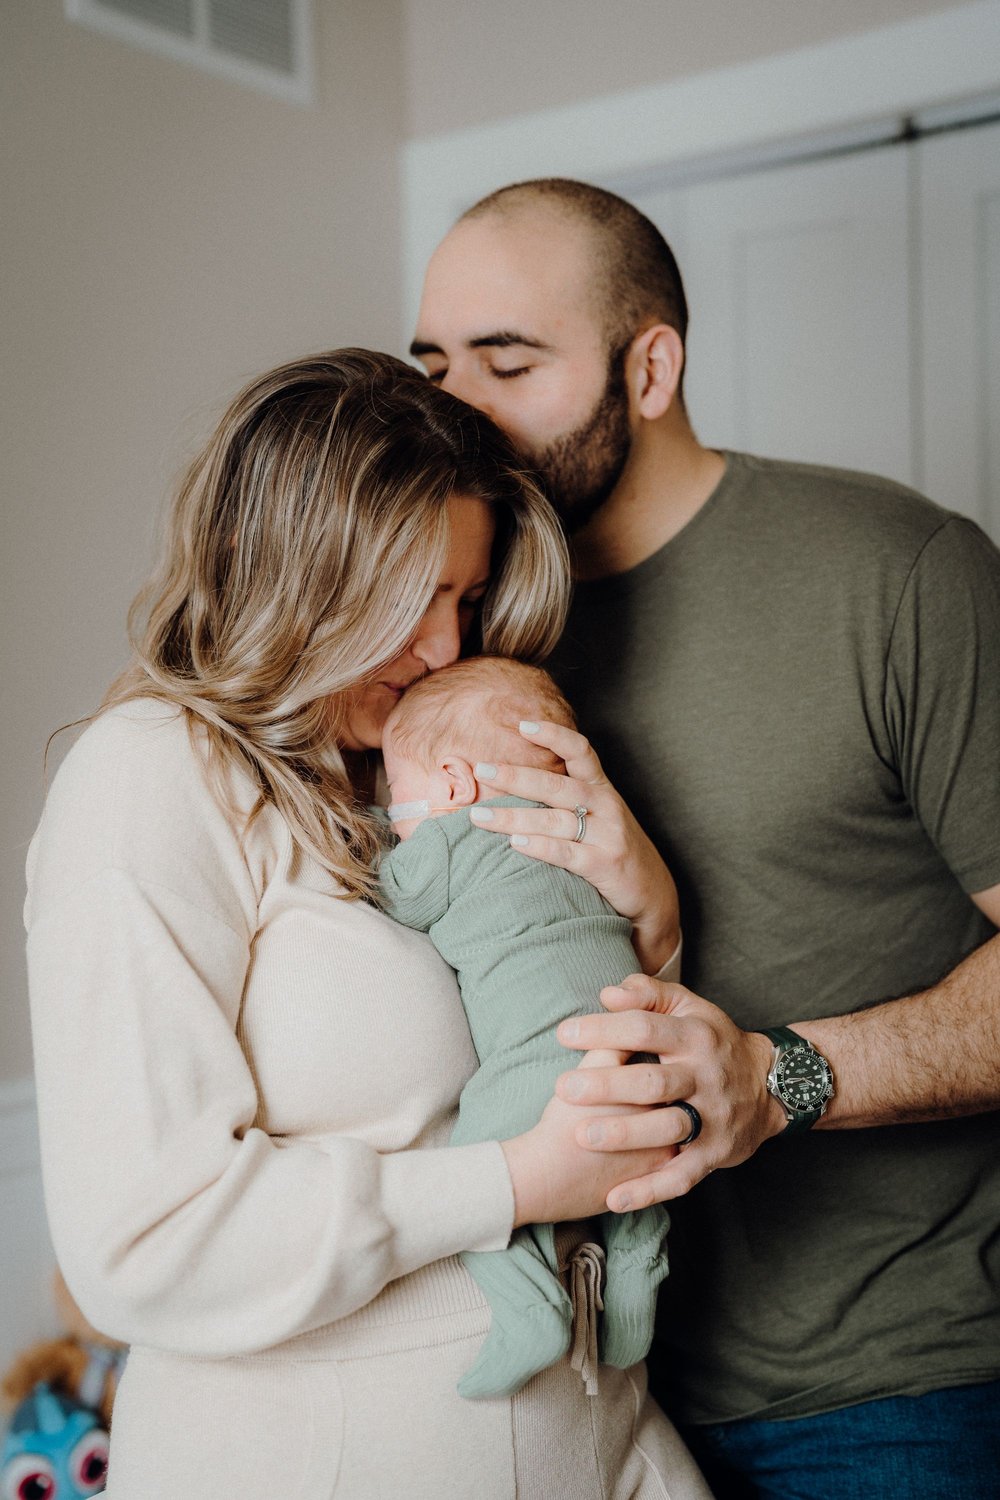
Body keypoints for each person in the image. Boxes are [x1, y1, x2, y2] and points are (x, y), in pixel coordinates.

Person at [24, 348, 714, 1500]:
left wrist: (653, 913)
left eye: (464, 599)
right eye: (411, 600)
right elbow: (144, 1241)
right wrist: (511, 1183)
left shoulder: (418, 764)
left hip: (602, 1435)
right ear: (292, 579)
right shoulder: (151, 777)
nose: (447, 648)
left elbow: (545, 1019)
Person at [411, 178, 1000, 1499]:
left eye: (509, 363)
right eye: (436, 365)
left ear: (651, 367)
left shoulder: (898, 572)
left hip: (894, 1392)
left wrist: (783, 1077)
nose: (457, 411)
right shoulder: (450, 626)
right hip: (585, 1396)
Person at [378, 654, 673, 1400]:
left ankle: (530, 1311)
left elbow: (397, 900)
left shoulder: (448, 838)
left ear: (452, 783)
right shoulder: (581, 837)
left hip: (539, 1054)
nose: (393, 806)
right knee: (638, 1159)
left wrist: (382, 833)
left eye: (396, 789)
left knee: (478, 1170)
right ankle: (636, 1270)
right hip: (631, 1040)